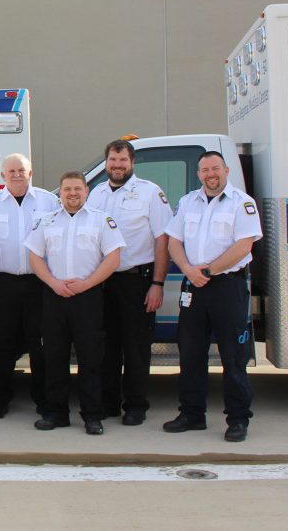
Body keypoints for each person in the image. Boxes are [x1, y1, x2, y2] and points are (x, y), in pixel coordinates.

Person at [162, 151, 262, 443]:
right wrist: (187, 270)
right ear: (199, 174)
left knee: (233, 357)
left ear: (226, 170)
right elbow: (174, 241)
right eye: (205, 170)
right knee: (190, 354)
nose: (210, 174)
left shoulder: (242, 203)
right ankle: (192, 414)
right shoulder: (187, 202)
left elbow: (244, 245)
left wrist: (208, 270)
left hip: (227, 286)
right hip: (193, 285)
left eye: (215, 168)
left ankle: (238, 419)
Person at [27, 172, 124, 435]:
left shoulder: (101, 220)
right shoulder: (46, 221)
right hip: (54, 295)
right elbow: (34, 256)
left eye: (77, 189)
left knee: (90, 358)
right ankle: (56, 413)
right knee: (54, 357)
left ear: (86, 191)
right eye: (67, 189)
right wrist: (53, 282)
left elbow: (113, 258)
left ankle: (92, 415)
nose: (72, 193)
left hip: (88, 297)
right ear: (60, 192)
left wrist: (87, 283)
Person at [86, 140, 173, 425]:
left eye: (123, 160)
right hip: (102, 282)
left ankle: (136, 406)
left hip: (137, 281)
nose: (117, 165)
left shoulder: (150, 193)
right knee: (106, 346)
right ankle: (108, 403)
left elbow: (162, 240)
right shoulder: (96, 194)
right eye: (113, 160)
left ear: (132, 162)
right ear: (106, 162)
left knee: (135, 347)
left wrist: (157, 283)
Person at [0, 153, 59, 419]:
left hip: (39, 283)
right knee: (1, 343)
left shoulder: (48, 201)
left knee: (40, 343)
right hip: (2, 283)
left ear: (30, 172)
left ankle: (44, 399)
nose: (16, 175)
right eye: (11, 171)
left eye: (21, 170)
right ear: (3, 176)